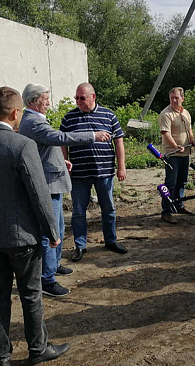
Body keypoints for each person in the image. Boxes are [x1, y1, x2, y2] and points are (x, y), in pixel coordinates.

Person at [0, 87, 70, 366]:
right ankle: (38, 348)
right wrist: (52, 232)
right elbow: (39, 193)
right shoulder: (22, 145)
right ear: (15, 112)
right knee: (31, 294)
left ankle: (2, 358)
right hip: (22, 237)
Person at [19, 83, 111, 297]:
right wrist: (92, 135)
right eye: (45, 99)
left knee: (58, 229)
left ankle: (53, 266)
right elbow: (60, 138)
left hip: (52, 180)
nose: (49, 103)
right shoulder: (33, 122)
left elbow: (45, 149)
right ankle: (46, 279)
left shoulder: (35, 120)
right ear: (33, 101)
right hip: (47, 184)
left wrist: (61, 161)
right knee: (50, 232)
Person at [61, 83, 127, 261]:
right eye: (76, 98)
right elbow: (63, 143)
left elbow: (119, 141)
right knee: (78, 211)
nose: (79, 101)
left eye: (82, 98)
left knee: (108, 208)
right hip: (79, 174)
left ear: (93, 97)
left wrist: (121, 166)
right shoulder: (69, 118)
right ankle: (80, 245)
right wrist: (64, 163)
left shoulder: (108, 115)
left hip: (104, 171)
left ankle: (110, 241)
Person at [159, 87, 195, 224]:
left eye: (176, 98)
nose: (174, 100)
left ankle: (179, 205)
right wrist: (175, 146)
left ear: (183, 98)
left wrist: (192, 139)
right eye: (171, 98)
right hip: (172, 155)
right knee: (170, 183)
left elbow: (189, 129)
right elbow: (166, 133)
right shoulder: (166, 114)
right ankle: (166, 211)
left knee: (182, 181)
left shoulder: (185, 113)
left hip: (185, 154)